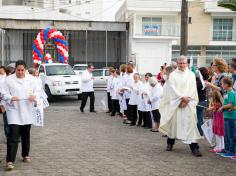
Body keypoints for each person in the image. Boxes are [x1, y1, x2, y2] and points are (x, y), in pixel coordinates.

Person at [159, 55, 202, 157]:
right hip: (177, 103)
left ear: (187, 63)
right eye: (180, 63)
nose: (182, 65)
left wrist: (187, 99)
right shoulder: (173, 75)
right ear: (177, 64)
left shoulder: (191, 74)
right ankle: (170, 143)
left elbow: (193, 88)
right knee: (174, 123)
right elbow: (172, 89)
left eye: (184, 63)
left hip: (188, 103)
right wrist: (181, 98)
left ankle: (194, 147)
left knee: (190, 125)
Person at [1, 60, 39, 170]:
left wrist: (34, 96)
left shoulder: (31, 79)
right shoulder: (8, 80)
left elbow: (38, 90)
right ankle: (10, 161)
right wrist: (10, 97)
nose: (20, 72)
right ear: (15, 69)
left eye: (22, 70)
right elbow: (3, 93)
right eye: (18, 70)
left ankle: (25, 155)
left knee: (25, 134)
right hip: (14, 111)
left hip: (27, 110)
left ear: (25, 70)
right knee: (13, 136)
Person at [220, 77, 236, 154]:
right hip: (226, 116)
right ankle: (226, 148)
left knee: (231, 134)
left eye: (222, 83)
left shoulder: (231, 93)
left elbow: (231, 104)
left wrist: (222, 107)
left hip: (231, 117)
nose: (221, 85)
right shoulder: (226, 93)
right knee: (226, 134)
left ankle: (232, 150)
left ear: (226, 84)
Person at [196, 67, 209, 136]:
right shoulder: (204, 80)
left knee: (198, 118)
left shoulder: (199, 82)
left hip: (199, 101)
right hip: (203, 101)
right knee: (200, 117)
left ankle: (200, 132)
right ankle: (201, 132)